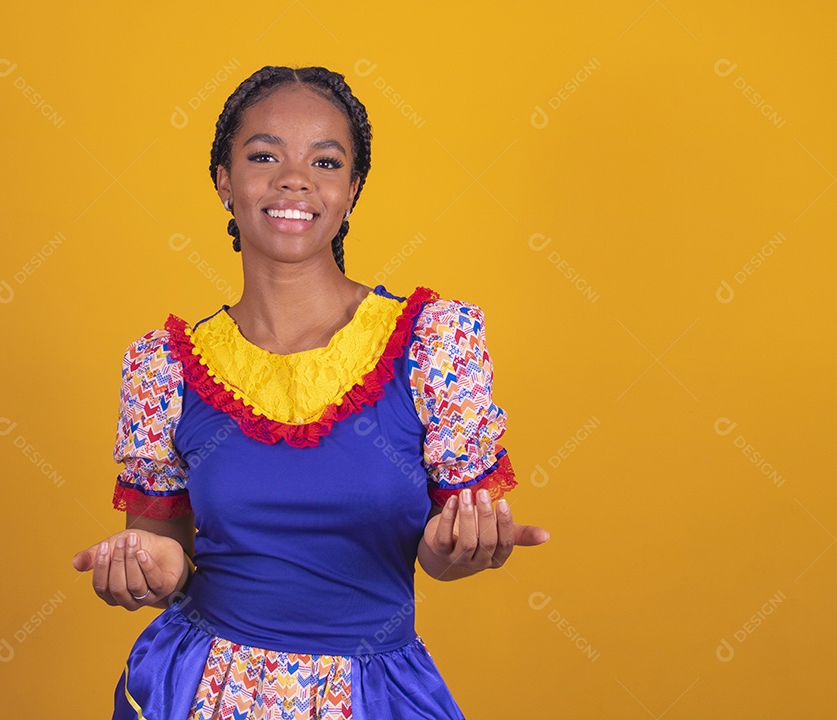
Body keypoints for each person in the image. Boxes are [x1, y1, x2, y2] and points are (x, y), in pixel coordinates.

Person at [72, 64, 550, 719]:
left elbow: (440, 557)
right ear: (224, 181)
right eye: (264, 155)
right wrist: (146, 568)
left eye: (325, 162)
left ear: (352, 192)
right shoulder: (166, 367)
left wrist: (458, 547)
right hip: (200, 691)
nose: (294, 179)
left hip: (371, 695)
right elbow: (166, 554)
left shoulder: (432, 344)